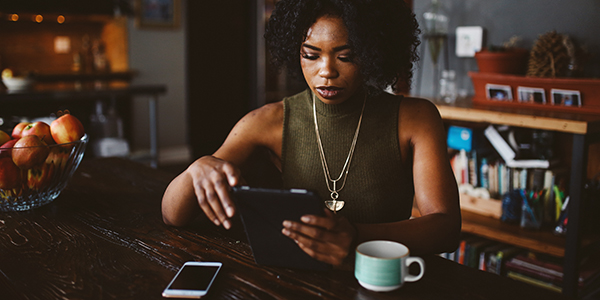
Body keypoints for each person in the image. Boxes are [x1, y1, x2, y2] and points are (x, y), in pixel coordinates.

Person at [162, 0, 461, 266]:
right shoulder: (268, 120)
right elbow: (172, 215)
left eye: (346, 56)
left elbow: (446, 229)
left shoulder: (415, 118)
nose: (326, 70)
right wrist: (198, 168)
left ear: (372, 53)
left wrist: (355, 236)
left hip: (383, 279)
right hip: (301, 281)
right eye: (311, 55)